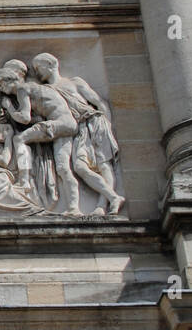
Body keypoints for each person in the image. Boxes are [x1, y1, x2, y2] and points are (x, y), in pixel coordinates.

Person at [31, 53, 124, 215]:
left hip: (93, 122)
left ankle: (102, 205)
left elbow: (99, 103)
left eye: (39, 67)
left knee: (102, 164)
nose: (37, 72)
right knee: (80, 167)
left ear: (51, 64)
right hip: (76, 129)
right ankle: (113, 197)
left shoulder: (74, 82)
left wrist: (106, 125)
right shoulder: (45, 90)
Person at [0, 65, 81, 216]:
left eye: (0, 85)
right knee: (62, 168)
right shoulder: (35, 88)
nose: (1, 89)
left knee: (19, 139)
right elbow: (37, 117)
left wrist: (9, 107)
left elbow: (24, 118)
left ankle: (24, 181)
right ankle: (74, 207)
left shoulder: (22, 89)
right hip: (68, 124)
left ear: (8, 80)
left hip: (58, 123)